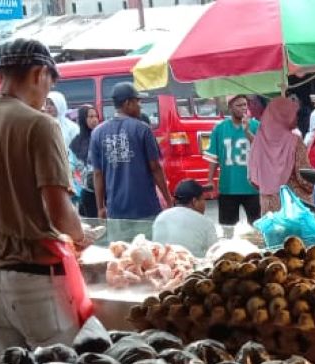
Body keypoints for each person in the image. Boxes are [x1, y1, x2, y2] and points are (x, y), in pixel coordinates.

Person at [0, 39, 96, 364]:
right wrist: (81, 234)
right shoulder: (41, 124)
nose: (48, 90)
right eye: (50, 81)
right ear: (38, 73)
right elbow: (60, 214)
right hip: (37, 278)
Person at [90, 82, 171, 239]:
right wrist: (168, 199)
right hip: (145, 209)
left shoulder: (97, 133)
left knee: (122, 258)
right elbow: (155, 168)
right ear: (127, 103)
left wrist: (100, 207)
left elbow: (97, 173)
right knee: (148, 256)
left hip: (116, 210)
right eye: (138, 102)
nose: (140, 107)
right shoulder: (142, 129)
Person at [248, 96, 312, 215]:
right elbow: (304, 176)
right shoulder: (295, 141)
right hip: (292, 205)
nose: (296, 117)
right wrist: (310, 187)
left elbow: (251, 177)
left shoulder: (259, 140)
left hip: (268, 207)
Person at [206, 95, 260, 230]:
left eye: (245, 105)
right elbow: (214, 157)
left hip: (253, 186)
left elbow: (263, 150)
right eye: (239, 105)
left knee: (258, 227)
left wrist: (247, 131)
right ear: (230, 108)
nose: (243, 108)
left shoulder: (256, 125)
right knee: (227, 227)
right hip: (228, 187)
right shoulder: (219, 128)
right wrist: (210, 180)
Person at [152, 179, 217, 257]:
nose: (204, 204)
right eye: (203, 199)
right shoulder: (206, 223)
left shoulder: (161, 217)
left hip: (161, 265)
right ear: (194, 201)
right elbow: (214, 253)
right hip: (191, 266)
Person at [70, 105, 99, 218]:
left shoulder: (102, 136)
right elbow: (73, 165)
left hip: (106, 190)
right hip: (88, 191)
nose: (94, 120)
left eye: (96, 116)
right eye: (90, 117)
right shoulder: (76, 142)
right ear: (83, 119)